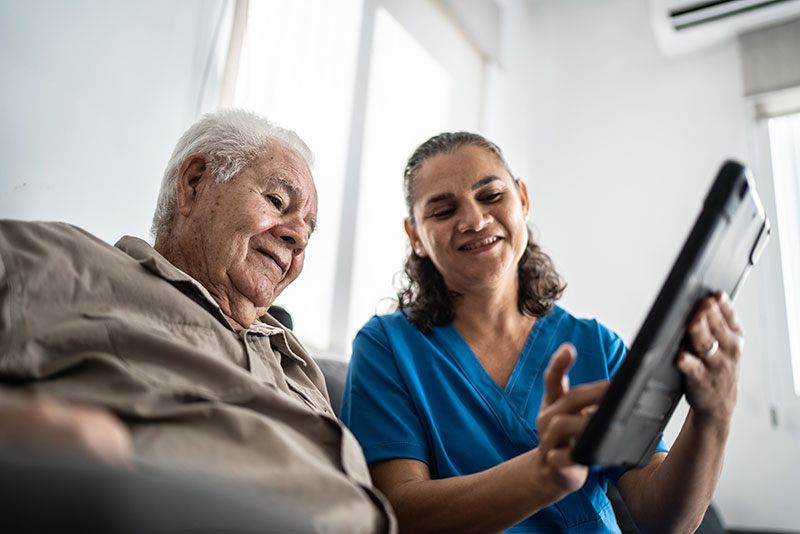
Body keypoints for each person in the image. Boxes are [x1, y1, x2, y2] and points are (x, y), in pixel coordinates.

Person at [0, 109, 394, 534]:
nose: (297, 239)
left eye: (308, 233)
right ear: (193, 183)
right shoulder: (58, 261)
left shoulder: (292, 357)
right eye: (278, 202)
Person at [340, 131, 743, 533]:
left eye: (491, 196)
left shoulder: (597, 346)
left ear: (524, 200)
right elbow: (398, 512)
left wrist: (713, 417)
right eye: (443, 211)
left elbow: (665, 522)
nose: (475, 220)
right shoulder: (386, 347)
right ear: (416, 238)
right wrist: (540, 476)